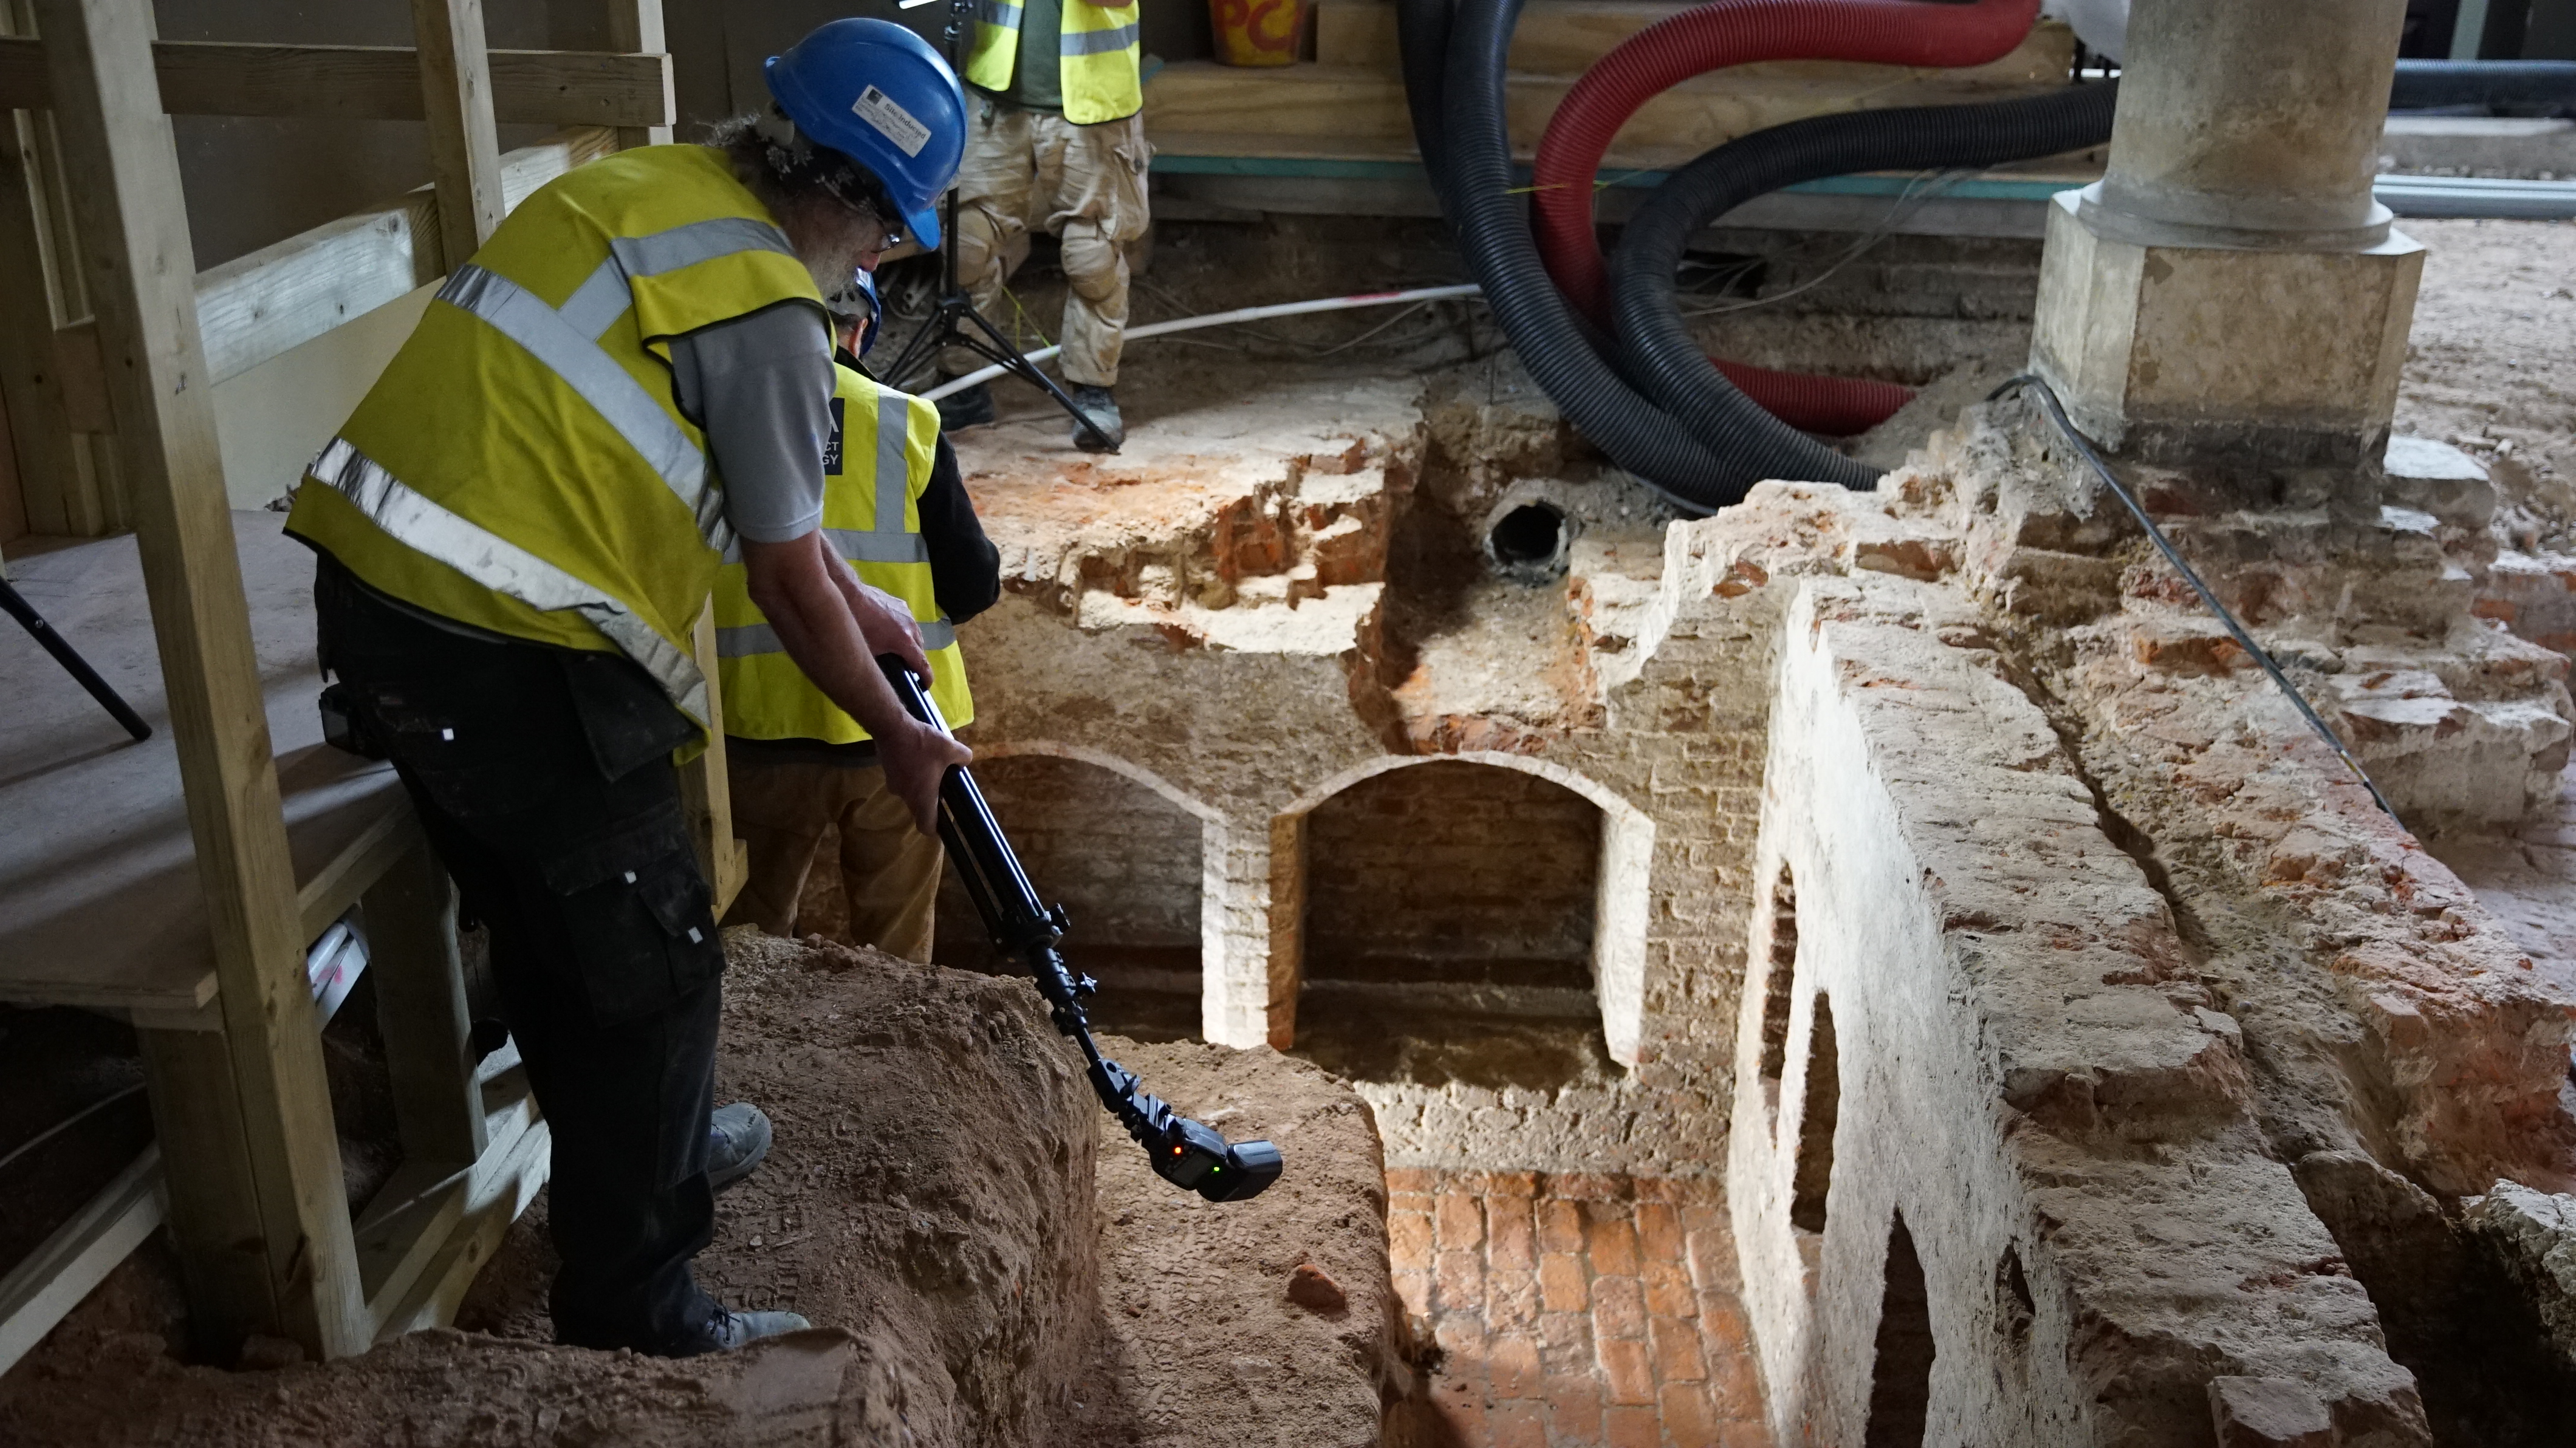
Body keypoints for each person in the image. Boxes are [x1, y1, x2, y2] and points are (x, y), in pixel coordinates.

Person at [285, 19, 973, 1358]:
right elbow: (780, 581)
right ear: (841, 197)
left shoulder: (641, 196)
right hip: (496, 644)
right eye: (889, 226)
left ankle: (650, 1139)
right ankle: (638, 1306)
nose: (881, 253)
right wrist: (897, 733)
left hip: (383, 604)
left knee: (556, 916)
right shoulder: (771, 306)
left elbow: (760, 493)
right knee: (656, 959)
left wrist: (864, 596)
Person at [716, 272, 1000, 958]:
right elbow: (972, 583)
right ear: (861, 329)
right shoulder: (907, 420)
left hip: (759, 727)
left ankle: (755, 1069)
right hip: (904, 725)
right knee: (898, 947)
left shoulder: (720, 424)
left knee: (753, 950)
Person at [934, 0, 1148, 452]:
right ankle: (964, 381)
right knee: (965, 244)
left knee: (1092, 256)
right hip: (996, 100)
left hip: (1092, 107)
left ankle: (1093, 390)